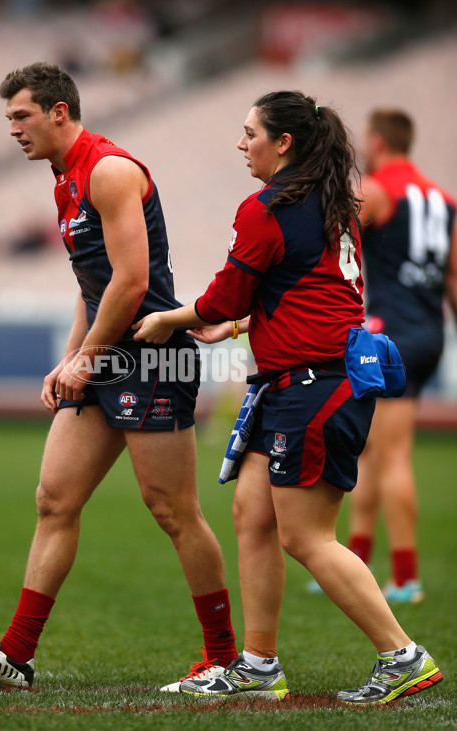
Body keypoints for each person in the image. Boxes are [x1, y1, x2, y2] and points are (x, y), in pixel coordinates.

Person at [132, 91, 443, 704]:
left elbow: (224, 296)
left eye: (250, 133)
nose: (240, 143)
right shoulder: (332, 202)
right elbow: (310, 295)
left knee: (306, 537)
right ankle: (259, 665)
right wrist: (243, 326)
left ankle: (403, 655)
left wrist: (171, 319)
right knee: (252, 513)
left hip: (314, 386)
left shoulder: (267, 206)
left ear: (284, 144)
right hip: (307, 380)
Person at [0, 62, 237, 690]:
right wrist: (70, 355)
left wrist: (85, 359)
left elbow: (131, 284)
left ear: (59, 112)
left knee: (172, 509)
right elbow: (93, 286)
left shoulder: (109, 170)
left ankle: (225, 659)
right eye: (9, 119)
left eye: (21, 116)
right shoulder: (64, 179)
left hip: (153, 354)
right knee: (54, 500)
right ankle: (15, 654)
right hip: (108, 352)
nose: (13, 130)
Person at [345, 109, 457, 603]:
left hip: (393, 337)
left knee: (390, 456)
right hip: (430, 332)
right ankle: (357, 562)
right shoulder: (442, 198)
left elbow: (334, 237)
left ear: (376, 140)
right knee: (372, 449)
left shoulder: (376, 189)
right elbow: (453, 278)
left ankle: (406, 577)